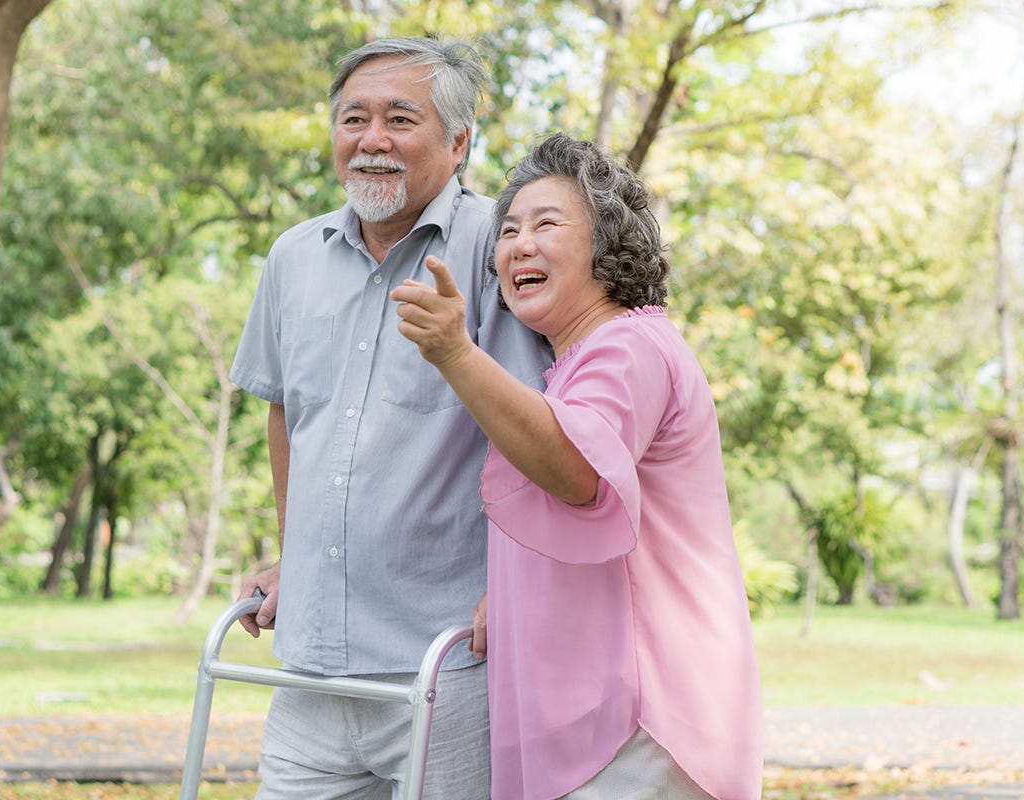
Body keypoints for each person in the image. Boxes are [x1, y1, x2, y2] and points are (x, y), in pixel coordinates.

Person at [390, 133, 763, 800]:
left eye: (545, 224)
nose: (518, 245)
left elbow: (577, 473)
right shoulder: (575, 367)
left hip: (642, 725)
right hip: (602, 729)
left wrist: (455, 351)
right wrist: (502, 591)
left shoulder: (628, 347)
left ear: (605, 245)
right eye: (507, 231)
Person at [228, 36, 549, 799]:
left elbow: (543, 425)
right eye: (353, 119)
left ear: (459, 142)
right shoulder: (293, 256)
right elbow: (286, 413)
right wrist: (289, 553)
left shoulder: (498, 248)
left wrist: (521, 577)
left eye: (400, 119)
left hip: (448, 657)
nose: (372, 140)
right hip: (310, 664)